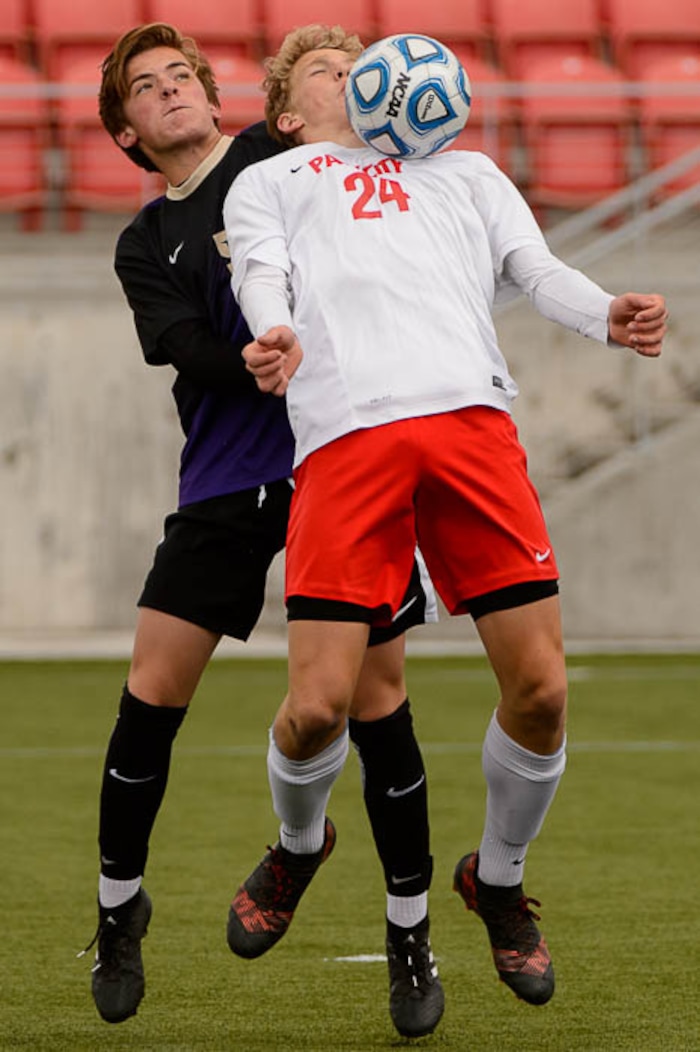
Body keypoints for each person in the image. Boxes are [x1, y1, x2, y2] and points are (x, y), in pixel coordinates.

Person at [223, 22, 668, 1017]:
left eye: (361, 62)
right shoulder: (277, 180)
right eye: (327, 71)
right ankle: (299, 847)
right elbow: (258, 270)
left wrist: (606, 312)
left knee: (543, 691)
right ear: (291, 112)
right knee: (314, 708)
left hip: (470, 425)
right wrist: (272, 330)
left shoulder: (465, 173)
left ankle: (498, 877)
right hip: (344, 438)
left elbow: (537, 269)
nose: (360, 74)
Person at [80, 23, 443, 1041]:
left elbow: (359, 177)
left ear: (213, 91)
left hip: (342, 460)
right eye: (145, 90)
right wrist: (250, 352)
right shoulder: (143, 240)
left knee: (377, 702)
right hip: (228, 476)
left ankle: (409, 933)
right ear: (127, 133)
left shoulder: (274, 163)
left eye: (181, 76)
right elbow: (181, 345)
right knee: (151, 691)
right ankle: (118, 910)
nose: (169, 93)